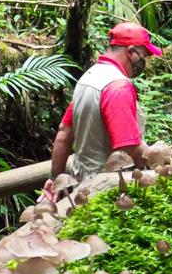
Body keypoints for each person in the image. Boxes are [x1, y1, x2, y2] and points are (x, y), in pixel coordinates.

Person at [42, 23, 161, 202]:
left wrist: (55, 180)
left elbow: (64, 133)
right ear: (131, 52)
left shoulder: (89, 78)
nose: (144, 63)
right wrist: (160, 160)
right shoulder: (117, 86)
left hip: (81, 186)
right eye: (143, 56)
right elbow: (128, 147)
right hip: (108, 190)